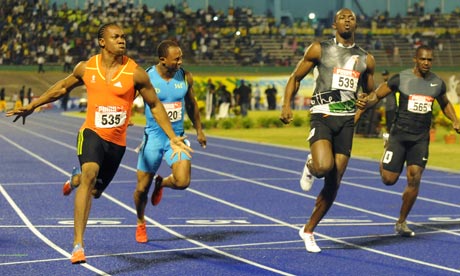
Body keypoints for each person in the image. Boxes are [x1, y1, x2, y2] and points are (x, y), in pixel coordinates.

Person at [6, 23, 192, 264]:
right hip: (92, 133)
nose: (122, 40)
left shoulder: (135, 72)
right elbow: (62, 87)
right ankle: (78, 246)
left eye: (124, 36)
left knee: (94, 190)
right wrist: (33, 105)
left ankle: (75, 178)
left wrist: (172, 136)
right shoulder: (86, 67)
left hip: (117, 143)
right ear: (102, 42)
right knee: (90, 174)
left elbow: (155, 105)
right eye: (116, 37)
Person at [279, 8, 376, 253]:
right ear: (334, 24)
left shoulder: (366, 59)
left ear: (356, 24)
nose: (347, 20)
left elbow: (371, 94)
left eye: (351, 18)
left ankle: (308, 230)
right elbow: (295, 77)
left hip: (345, 122)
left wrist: (363, 105)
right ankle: (311, 165)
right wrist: (286, 105)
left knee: (334, 182)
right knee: (323, 167)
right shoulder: (319, 49)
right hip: (322, 116)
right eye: (342, 17)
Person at [356, 45, 460, 237]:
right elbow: (377, 95)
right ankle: (386, 150)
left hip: (420, 139)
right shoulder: (401, 78)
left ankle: (402, 222)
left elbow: (445, 104)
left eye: (430, 60)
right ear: (415, 59)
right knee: (389, 179)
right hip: (399, 136)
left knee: (414, 177)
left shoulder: (437, 83)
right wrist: (367, 102)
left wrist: (455, 120)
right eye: (423, 59)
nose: (426, 63)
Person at [133, 40, 206, 243]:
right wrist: (125, 117)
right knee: (141, 189)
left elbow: (191, 104)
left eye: (181, 57)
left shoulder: (185, 77)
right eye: (177, 59)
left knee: (183, 181)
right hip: (153, 138)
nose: (181, 62)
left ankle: (162, 183)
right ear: (163, 60)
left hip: (177, 139)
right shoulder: (146, 76)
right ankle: (140, 221)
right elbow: (126, 97)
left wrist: (199, 130)